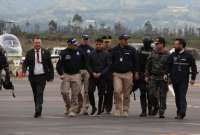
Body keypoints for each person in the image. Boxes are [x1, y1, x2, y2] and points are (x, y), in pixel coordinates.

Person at [22, 37, 54, 118]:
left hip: (42, 76)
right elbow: (25, 63)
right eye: (36, 43)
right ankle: (38, 109)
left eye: (39, 43)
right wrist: (24, 71)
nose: (37, 44)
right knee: (35, 93)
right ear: (34, 43)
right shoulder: (29, 53)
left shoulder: (46, 52)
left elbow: (50, 65)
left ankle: (37, 108)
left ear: (41, 43)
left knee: (40, 92)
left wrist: (51, 76)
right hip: (33, 76)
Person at [167, 38, 197, 119]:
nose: (175, 46)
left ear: (181, 45)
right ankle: (179, 112)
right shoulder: (172, 55)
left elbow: (194, 67)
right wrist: (168, 77)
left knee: (182, 95)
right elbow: (168, 67)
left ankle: (182, 112)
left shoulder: (188, 56)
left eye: (176, 44)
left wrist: (193, 78)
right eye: (175, 44)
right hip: (174, 79)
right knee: (177, 96)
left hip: (183, 80)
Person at [56, 38, 85, 117]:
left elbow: (85, 62)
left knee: (75, 94)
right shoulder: (64, 53)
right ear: (69, 44)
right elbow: (59, 65)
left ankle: (73, 110)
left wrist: (83, 71)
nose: (76, 46)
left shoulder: (80, 52)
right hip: (66, 74)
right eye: (74, 44)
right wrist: (61, 73)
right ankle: (68, 106)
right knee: (64, 92)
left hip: (76, 75)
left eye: (76, 44)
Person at [111, 34, 138, 117]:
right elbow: (110, 61)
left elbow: (136, 62)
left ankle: (125, 110)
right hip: (117, 74)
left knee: (126, 93)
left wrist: (136, 72)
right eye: (125, 39)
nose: (126, 41)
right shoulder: (114, 49)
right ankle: (118, 109)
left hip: (128, 74)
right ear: (120, 40)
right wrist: (112, 71)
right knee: (117, 91)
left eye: (127, 39)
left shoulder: (132, 50)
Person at [145, 37, 169, 118]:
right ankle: (156, 106)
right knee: (151, 94)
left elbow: (170, 66)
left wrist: (169, 76)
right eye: (156, 44)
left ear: (162, 44)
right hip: (153, 76)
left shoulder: (167, 54)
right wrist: (147, 75)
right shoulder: (153, 53)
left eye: (158, 44)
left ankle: (161, 111)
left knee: (162, 95)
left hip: (163, 77)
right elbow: (148, 65)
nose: (156, 45)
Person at [87, 38, 111, 115]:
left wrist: (101, 73)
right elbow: (88, 65)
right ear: (95, 44)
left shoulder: (106, 54)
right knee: (90, 91)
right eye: (97, 44)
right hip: (92, 76)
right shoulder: (91, 53)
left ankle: (100, 109)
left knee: (101, 94)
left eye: (100, 44)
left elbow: (108, 66)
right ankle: (94, 106)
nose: (98, 46)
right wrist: (92, 73)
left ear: (102, 45)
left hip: (102, 77)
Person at [137, 38, 154, 117]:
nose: (145, 43)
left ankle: (149, 110)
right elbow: (137, 62)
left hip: (150, 75)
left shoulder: (153, 51)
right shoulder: (140, 51)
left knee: (149, 94)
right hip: (142, 74)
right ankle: (144, 111)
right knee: (144, 93)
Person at [78, 34, 94, 115]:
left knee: (87, 91)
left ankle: (85, 108)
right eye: (84, 39)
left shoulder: (91, 49)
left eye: (86, 39)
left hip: (88, 71)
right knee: (77, 90)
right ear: (81, 39)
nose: (85, 40)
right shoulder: (77, 48)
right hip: (78, 71)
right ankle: (79, 104)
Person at [102, 35, 114, 114]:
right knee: (102, 91)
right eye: (105, 42)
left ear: (111, 42)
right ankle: (102, 106)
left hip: (111, 74)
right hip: (101, 74)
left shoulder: (114, 51)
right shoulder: (99, 50)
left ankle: (108, 107)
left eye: (108, 42)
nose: (106, 43)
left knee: (110, 92)